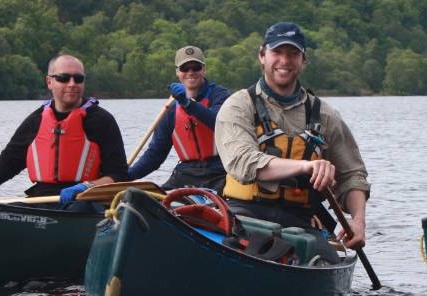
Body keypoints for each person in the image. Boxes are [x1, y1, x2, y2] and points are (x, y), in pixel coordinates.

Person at [214, 22, 370, 261]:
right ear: (262, 55)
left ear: (303, 61)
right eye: (277, 52)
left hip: (301, 220)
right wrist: (307, 166)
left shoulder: (326, 116)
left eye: (293, 54)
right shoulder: (238, 106)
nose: (284, 61)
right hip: (243, 214)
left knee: (327, 261)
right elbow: (243, 163)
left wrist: (358, 221)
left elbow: (353, 175)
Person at [0, 53, 128, 209]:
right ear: (49, 82)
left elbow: (118, 175)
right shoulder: (35, 121)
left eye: (78, 78)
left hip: (85, 201)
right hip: (40, 200)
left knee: (78, 209)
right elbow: (3, 167)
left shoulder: (102, 121)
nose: (72, 84)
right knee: (13, 209)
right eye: (64, 78)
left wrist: (87, 186)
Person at [128, 46, 230, 193]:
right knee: (147, 201)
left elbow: (218, 122)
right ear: (177, 72)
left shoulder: (220, 95)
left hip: (220, 172)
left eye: (196, 67)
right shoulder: (171, 110)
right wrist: (126, 175)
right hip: (186, 174)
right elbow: (155, 155)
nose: (190, 72)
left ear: (204, 70)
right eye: (184, 68)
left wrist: (188, 103)